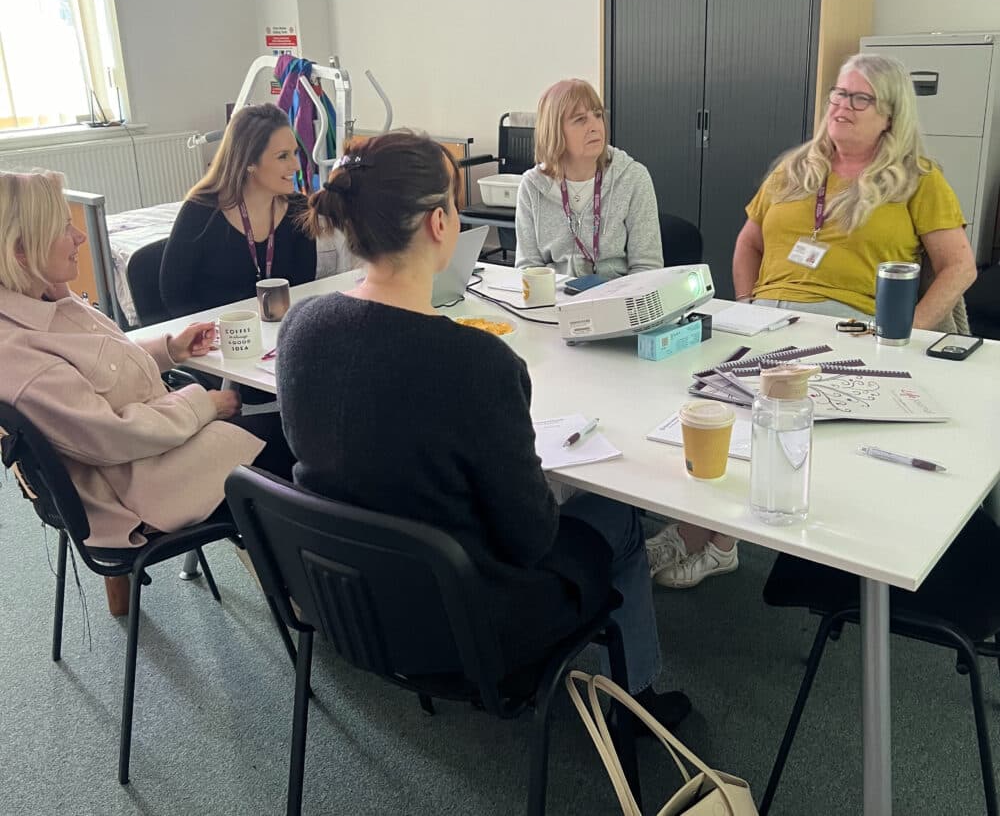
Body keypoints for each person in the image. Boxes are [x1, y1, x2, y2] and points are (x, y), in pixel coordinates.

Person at [278, 132, 690, 728]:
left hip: (350, 601)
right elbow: (530, 538)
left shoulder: (301, 328)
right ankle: (639, 704)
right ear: (440, 223)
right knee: (617, 517)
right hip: (472, 621)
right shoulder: (476, 365)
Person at [0, 170, 289, 551]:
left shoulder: (44, 300)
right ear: (22, 250)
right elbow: (113, 434)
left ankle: (292, 568)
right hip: (137, 490)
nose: (80, 238)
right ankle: (301, 590)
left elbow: (105, 371)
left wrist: (171, 350)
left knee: (281, 433)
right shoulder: (20, 355)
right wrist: (204, 404)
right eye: (64, 230)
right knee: (291, 440)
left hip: (146, 455)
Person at [732, 53, 976, 330]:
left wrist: (911, 329)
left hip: (851, 322)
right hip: (766, 315)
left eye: (861, 99)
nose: (843, 106)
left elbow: (960, 267)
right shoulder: (793, 169)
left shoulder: (918, 178)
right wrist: (744, 305)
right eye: (840, 94)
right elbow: (749, 243)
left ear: (890, 118)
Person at [160, 103, 317, 317]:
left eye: (294, 153)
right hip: (216, 337)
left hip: (277, 333)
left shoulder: (298, 210)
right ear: (250, 162)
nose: (296, 165)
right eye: (283, 156)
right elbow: (175, 295)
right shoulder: (200, 212)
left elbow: (304, 287)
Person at [515, 79, 664, 279]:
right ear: (554, 131)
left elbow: (647, 267)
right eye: (580, 120)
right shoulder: (532, 186)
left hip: (615, 298)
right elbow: (528, 268)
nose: (595, 127)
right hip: (555, 299)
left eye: (597, 115)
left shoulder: (633, 177)